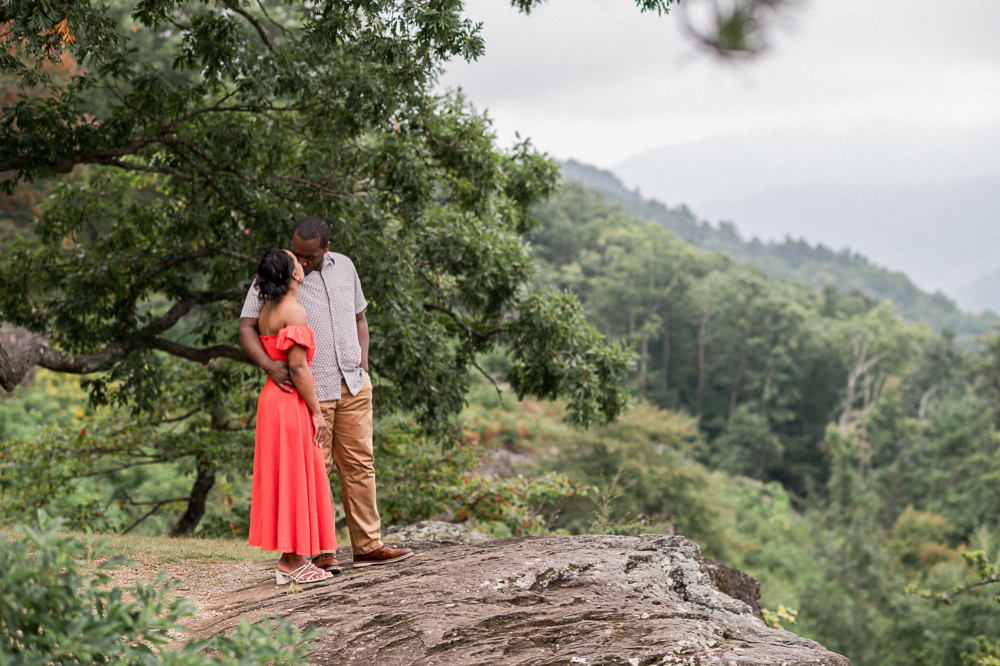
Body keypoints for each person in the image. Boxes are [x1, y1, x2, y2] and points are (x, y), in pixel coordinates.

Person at [239, 216, 413, 569]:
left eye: (309, 257)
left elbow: (360, 317)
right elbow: (246, 326)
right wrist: (269, 366)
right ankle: (320, 551)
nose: (301, 262)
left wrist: (362, 363)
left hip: (353, 383)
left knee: (361, 465)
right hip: (310, 391)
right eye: (298, 254)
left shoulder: (345, 267)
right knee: (315, 469)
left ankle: (368, 546)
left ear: (326, 249)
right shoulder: (279, 270)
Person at [248, 248, 336, 585]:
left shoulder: (267, 311)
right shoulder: (293, 311)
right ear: (294, 275)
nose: (302, 261)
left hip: (271, 398)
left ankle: (291, 558)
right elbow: (298, 368)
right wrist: (317, 413)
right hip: (291, 402)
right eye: (296, 260)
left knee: (283, 475)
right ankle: (291, 561)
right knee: (297, 475)